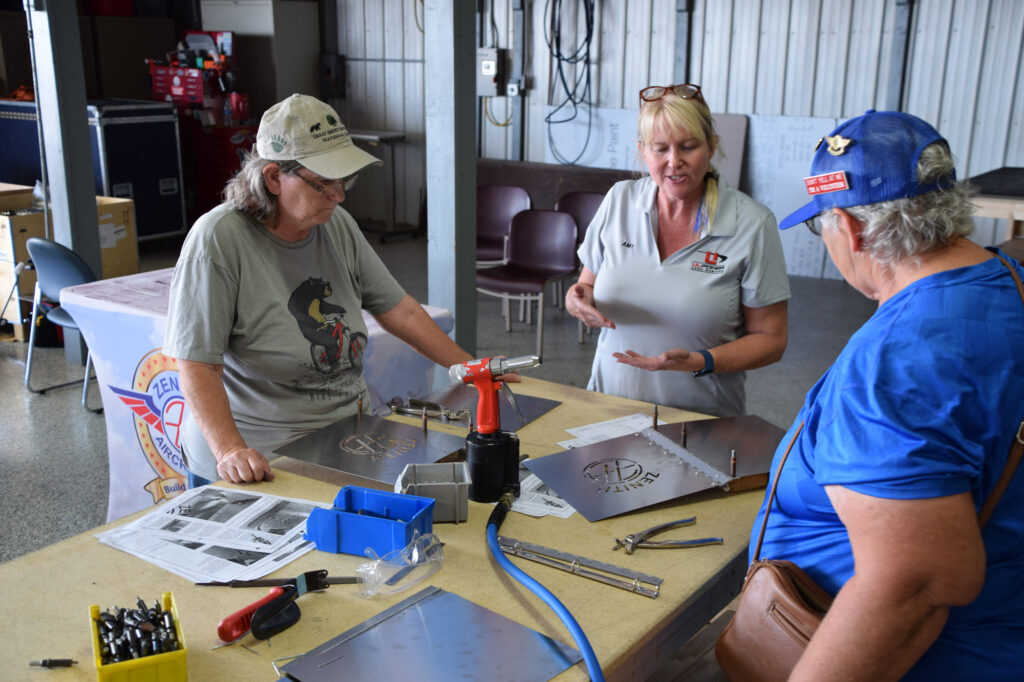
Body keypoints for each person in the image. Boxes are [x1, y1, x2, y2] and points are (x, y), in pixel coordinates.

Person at [752, 110, 1024, 680]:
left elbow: (915, 584)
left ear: (849, 230)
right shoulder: (1006, 279)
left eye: (818, 226)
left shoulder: (894, 363)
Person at [164, 94, 475, 487]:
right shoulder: (218, 240)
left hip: (344, 439)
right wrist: (229, 450)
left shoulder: (336, 224)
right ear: (274, 178)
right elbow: (196, 364)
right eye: (323, 183)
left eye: (344, 181)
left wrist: (470, 369)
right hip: (263, 454)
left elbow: (402, 312)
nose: (339, 195)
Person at [564, 83, 790, 417]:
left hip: (701, 418)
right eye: (660, 149)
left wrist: (700, 361)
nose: (674, 162)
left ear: (711, 146)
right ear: (643, 152)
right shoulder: (620, 200)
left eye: (688, 146)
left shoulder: (752, 224)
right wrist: (576, 299)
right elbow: (587, 286)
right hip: (609, 407)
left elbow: (771, 340)